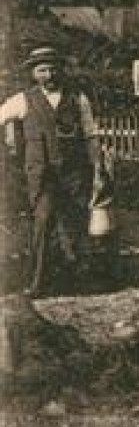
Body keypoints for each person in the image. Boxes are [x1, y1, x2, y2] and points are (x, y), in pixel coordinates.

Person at [0, 46, 103, 296]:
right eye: (42, 70)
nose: (49, 74)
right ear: (34, 74)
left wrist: (98, 167)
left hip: (74, 172)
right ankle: (38, 283)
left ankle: (79, 282)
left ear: (61, 70)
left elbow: (90, 135)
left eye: (53, 68)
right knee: (44, 222)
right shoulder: (23, 99)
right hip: (42, 174)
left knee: (76, 223)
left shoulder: (77, 98)